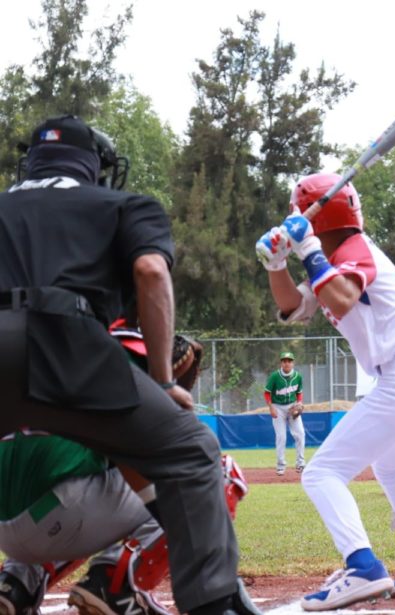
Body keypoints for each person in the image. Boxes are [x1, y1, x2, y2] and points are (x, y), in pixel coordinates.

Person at [0, 115, 259, 615]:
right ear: (93, 163)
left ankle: (18, 577)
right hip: (68, 345)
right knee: (190, 454)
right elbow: (150, 269)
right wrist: (162, 380)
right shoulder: (120, 203)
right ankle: (201, 603)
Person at [256, 173, 395, 611]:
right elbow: (294, 307)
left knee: (320, 473)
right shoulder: (337, 257)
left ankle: (362, 566)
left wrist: (308, 248)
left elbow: (342, 297)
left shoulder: (351, 250)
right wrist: (277, 264)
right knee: (389, 464)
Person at [0, 327, 248, 615]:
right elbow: (161, 450)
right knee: (214, 472)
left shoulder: (24, 340)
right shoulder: (116, 347)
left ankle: (16, 583)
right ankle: (117, 580)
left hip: (8, 531)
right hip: (64, 512)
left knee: (66, 473)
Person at [264, 351, 306, 475]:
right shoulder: (274, 376)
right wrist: (271, 407)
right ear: (281, 363)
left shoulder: (298, 376)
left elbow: (299, 392)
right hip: (278, 407)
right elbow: (267, 393)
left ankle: (300, 464)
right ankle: (281, 465)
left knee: (300, 434)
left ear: (293, 363)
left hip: (292, 406)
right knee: (281, 437)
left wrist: (299, 403)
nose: (287, 363)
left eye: (289, 361)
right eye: (284, 361)